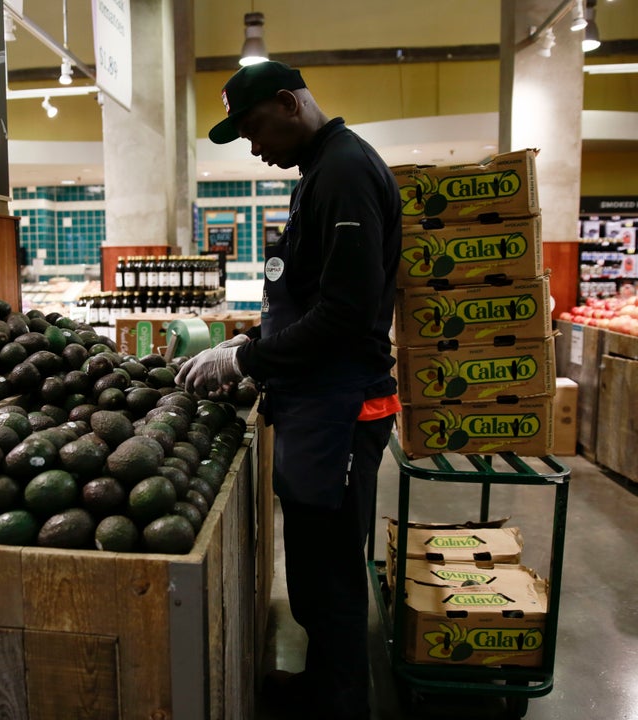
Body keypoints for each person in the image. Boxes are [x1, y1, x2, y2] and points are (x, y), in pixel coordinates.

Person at [175, 61, 402, 720]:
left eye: (253, 128)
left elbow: (346, 314)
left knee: (330, 577)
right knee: (311, 568)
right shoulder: (320, 174)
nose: (253, 146)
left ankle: (340, 705)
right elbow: (308, 298)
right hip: (314, 406)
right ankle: (321, 687)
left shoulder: (345, 172)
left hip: (341, 406)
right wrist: (251, 336)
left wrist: (249, 356)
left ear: (288, 103)